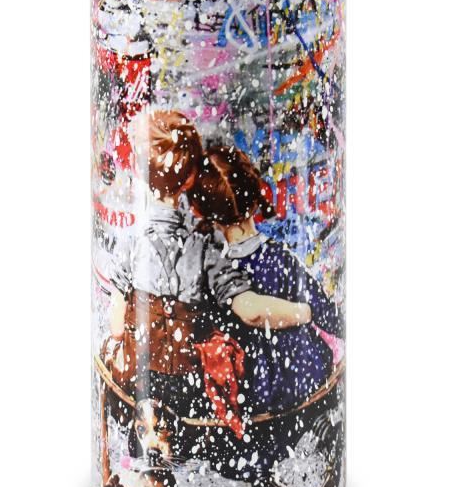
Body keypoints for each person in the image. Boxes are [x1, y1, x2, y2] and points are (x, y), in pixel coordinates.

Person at [107, 111, 311, 420]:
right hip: (188, 396)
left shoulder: (131, 245)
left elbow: (116, 329)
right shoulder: (204, 250)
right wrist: (303, 311)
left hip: (138, 384)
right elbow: (249, 309)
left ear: (139, 171)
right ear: (190, 180)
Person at [188, 144, 345, 487]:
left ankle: (263, 478)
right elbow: (323, 309)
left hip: (254, 388)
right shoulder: (279, 258)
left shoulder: (218, 273)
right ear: (254, 198)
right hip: (299, 372)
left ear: (206, 214)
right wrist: (321, 319)